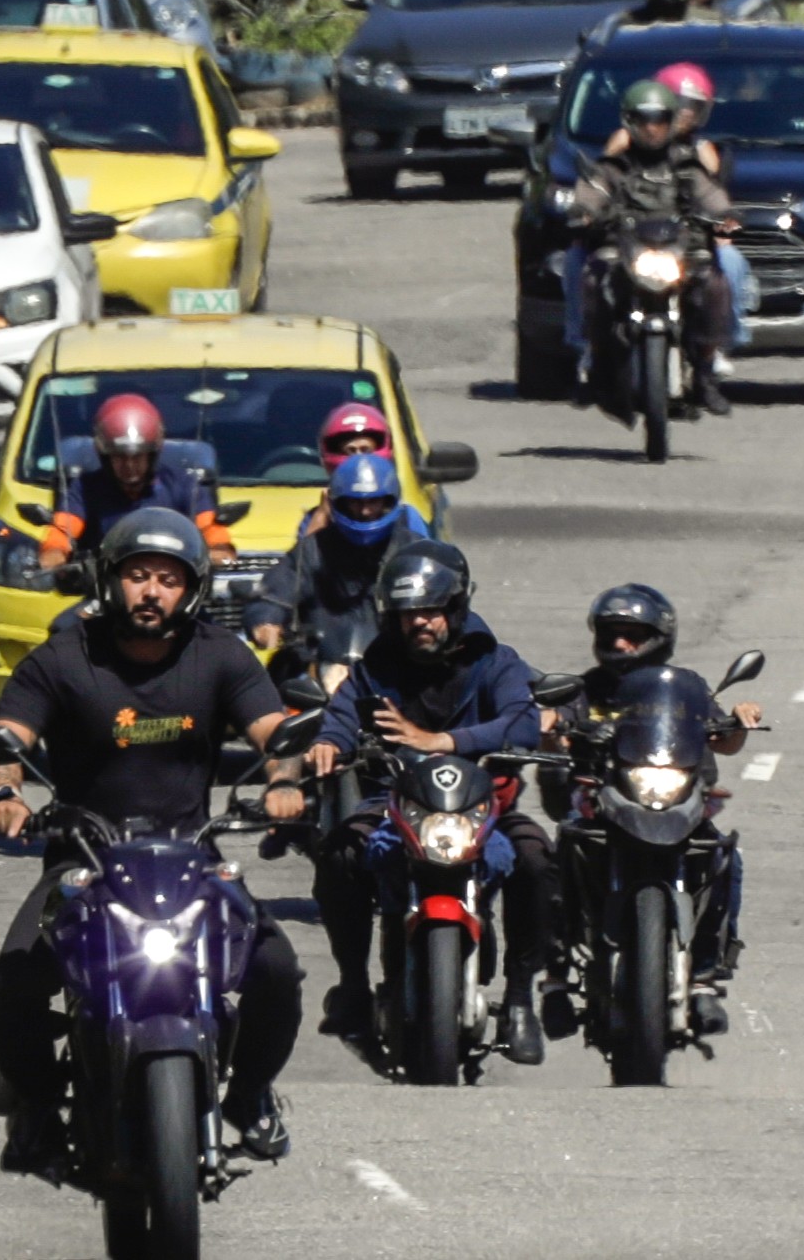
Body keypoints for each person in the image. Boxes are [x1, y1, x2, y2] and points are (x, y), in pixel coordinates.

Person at [0, 507, 307, 1168]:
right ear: (110, 580)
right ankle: (39, 1104)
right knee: (14, 979)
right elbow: (7, 737)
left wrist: (284, 779)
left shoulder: (220, 654)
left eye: (167, 578)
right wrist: (7, 792)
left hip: (192, 856)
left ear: (193, 588)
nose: (151, 590)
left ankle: (248, 1093)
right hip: (84, 859)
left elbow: (275, 732)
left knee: (275, 968)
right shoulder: (64, 656)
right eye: (136, 575)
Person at [300, 540, 557, 1065]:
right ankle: (353, 985)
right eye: (407, 614)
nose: (420, 623)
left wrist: (441, 741)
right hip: (395, 803)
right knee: (339, 854)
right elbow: (345, 715)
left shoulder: (496, 662)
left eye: (432, 611)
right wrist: (328, 741)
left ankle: (519, 998)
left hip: (487, 808)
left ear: (456, 609)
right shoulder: (377, 666)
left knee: (536, 860)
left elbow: (524, 721)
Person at [548, 585, 762, 1035]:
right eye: (612, 633)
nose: (620, 644)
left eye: (631, 634)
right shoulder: (583, 689)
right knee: (562, 848)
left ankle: (704, 976)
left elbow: (724, 739)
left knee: (725, 857)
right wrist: (552, 729)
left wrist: (739, 719)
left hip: (675, 798)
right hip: (602, 803)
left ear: (658, 637)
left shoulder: (687, 689)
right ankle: (557, 974)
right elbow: (555, 736)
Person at [567, 64, 741, 414]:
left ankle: (705, 371)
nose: (652, 128)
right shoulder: (616, 163)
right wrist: (584, 210)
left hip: (679, 248)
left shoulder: (685, 163)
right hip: (624, 246)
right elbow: (595, 187)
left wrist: (725, 215)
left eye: (660, 120)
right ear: (629, 121)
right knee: (593, 277)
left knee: (713, 284)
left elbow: (708, 192)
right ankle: (597, 359)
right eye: (644, 120)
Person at [35, 393, 234, 570]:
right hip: (105, 592)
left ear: (152, 455)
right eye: (120, 457)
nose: (129, 466)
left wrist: (219, 548)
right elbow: (63, 528)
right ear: (105, 456)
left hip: (172, 588)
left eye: (138, 457)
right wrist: (54, 552)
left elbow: (209, 526)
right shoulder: (84, 488)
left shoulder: (185, 484)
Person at [250, 454, 421, 655]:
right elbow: (276, 590)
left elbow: (442, 598)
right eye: (355, 502)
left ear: (388, 500)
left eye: (373, 501)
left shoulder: (413, 549)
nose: (365, 511)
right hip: (322, 662)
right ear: (338, 502)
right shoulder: (313, 549)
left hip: (393, 663)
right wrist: (265, 622)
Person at [291, 402, 432, 543]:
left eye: (365, 450)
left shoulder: (406, 516)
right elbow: (305, 559)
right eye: (350, 451)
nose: (365, 510)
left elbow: (422, 555)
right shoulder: (316, 517)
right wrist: (323, 515)